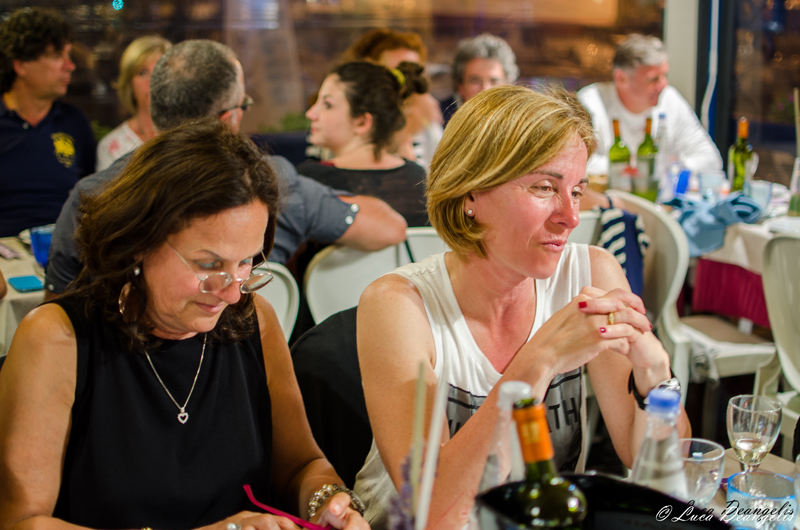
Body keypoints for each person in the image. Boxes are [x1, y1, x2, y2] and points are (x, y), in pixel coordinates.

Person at [0, 118, 369, 530]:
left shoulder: (255, 321)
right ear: (140, 241)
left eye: (246, 263)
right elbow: (23, 522)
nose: (232, 293)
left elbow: (301, 465)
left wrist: (328, 502)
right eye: (208, 264)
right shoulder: (58, 338)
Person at [352, 86, 691, 530]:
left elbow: (664, 478)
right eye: (545, 187)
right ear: (470, 191)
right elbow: (432, 515)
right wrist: (540, 359)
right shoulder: (398, 305)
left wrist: (656, 378)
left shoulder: (590, 274)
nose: (571, 216)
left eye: (577, 191)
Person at [44, 40, 406, 299]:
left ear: (155, 107)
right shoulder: (271, 181)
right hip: (250, 359)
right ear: (228, 117)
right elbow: (390, 227)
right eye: (243, 105)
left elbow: (58, 309)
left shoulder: (93, 194)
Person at [0, 7, 96, 238]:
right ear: (21, 64)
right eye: (56, 56)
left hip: (65, 246)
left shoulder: (74, 122)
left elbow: (91, 196)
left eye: (68, 56)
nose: (69, 66)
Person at [299, 61, 429, 228]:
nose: (311, 113)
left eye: (327, 105)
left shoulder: (311, 181)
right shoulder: (418, 177)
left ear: (362, 122)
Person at [577, 34, 722, 179]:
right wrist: (642, 167)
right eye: (654, 79)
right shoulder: (590, 104)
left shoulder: (670, 99)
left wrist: (674, 167)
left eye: (664, 76)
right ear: (621, 79)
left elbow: (711, 159)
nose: (663, 84)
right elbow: (575, 163)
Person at [341, 28, 443, 169]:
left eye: (414, 73)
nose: (406, 81)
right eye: (398, 73)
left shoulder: (428, 127)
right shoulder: (357, 123)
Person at [95, 35, 171, 171]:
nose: (153, 80)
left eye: (160, 71)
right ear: (129, 83)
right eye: (142, 72)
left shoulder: (190, 135)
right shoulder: (111, 146)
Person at [438, 33, 519, 126]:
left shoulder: (518, 121)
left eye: (494, 81)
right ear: (460, 86)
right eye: (475, 81)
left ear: (507, 85)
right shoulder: (438, 119)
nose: (485, 89)